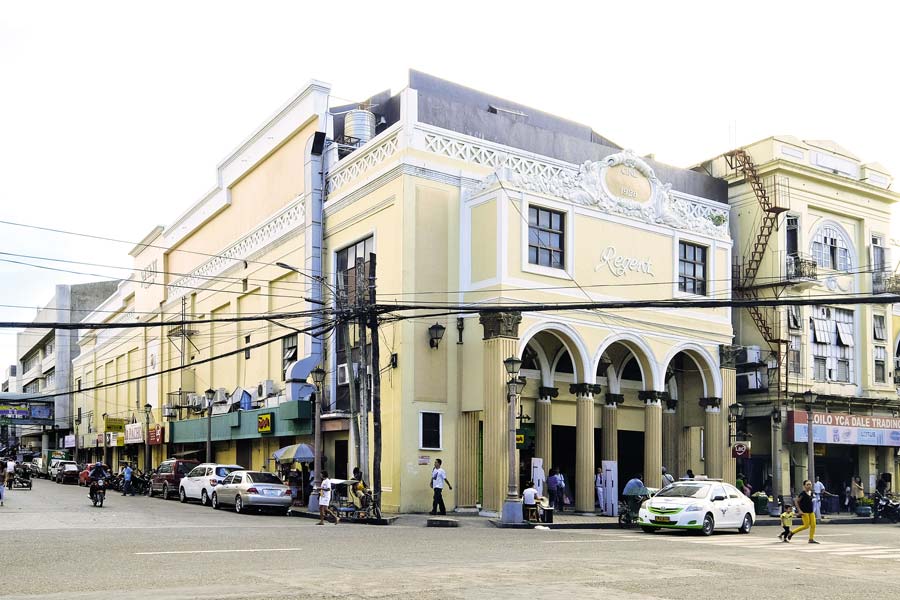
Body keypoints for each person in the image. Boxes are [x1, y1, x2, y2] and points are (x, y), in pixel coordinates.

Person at [788, 479, 818, 544]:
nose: (809, 486)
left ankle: (811, 539)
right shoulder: (802, 494)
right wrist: (799, 510)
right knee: (806, 526)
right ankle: (792, 532)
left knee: (813, 525)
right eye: (807, 484)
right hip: (804, 512)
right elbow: (796, 501)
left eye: (810, 484)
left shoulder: (811, 493)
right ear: (804, 486)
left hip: (811, 511)